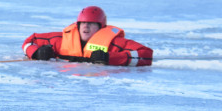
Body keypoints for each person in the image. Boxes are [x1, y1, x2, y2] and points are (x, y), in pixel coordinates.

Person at [22, 6, 153, 67]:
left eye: (91, 23)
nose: (86, 26)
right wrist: (37, 52)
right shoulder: (60, 40)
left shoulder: (114, 44)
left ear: (100, 27)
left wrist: (109, 58)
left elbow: (146, 55)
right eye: (83, 23)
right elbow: (30, 41)